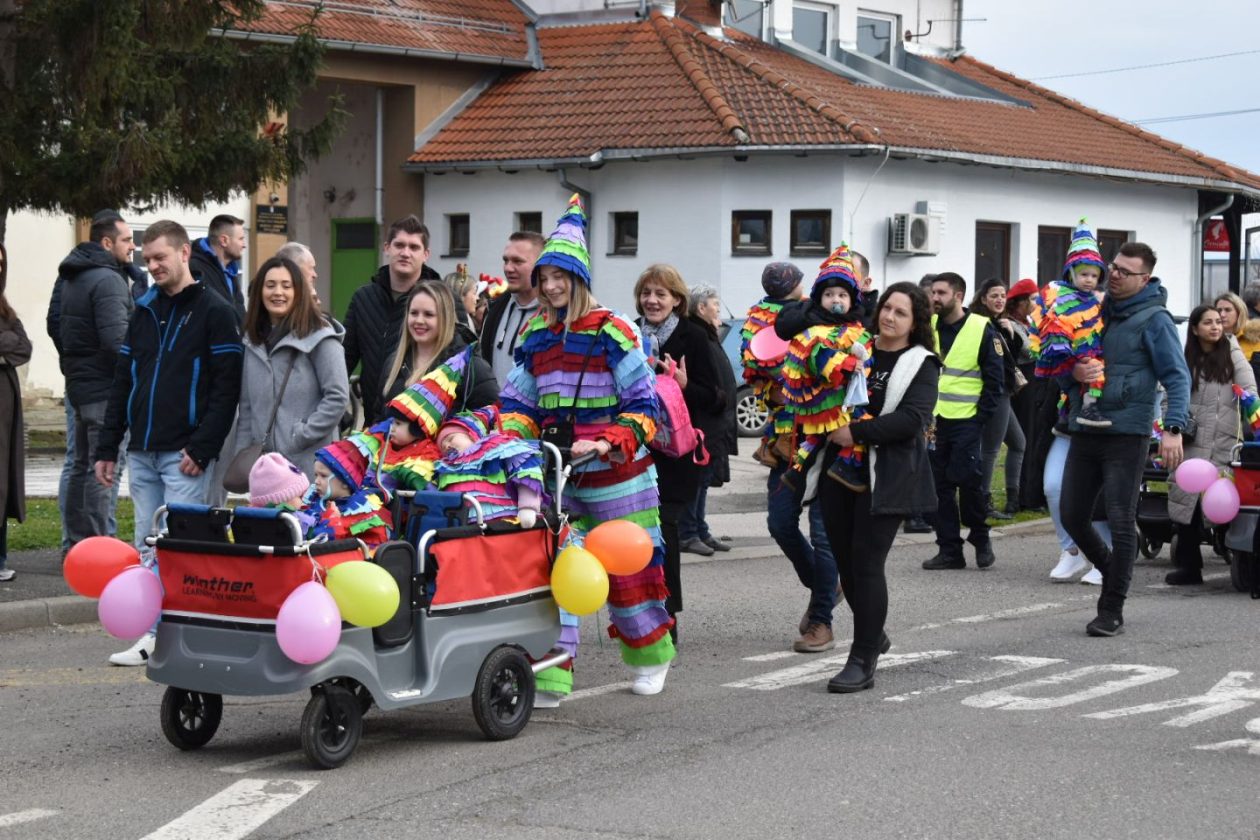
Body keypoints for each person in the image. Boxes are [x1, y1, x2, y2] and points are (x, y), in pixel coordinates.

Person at [500, 194, 676, 702]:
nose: (551, 286)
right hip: (560, 476)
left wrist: (605, 440)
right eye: (545, 277)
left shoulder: (615, 330)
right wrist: (514, 437)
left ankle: (651, 655)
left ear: (579, 278)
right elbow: (517, 401)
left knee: (631, 574)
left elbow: (645, 408)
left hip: (620, 478)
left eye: (560, 277)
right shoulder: (537, 334)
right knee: (558, 573)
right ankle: (553, 671)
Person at [93, 221, 243, 665]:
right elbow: (124, 382)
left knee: (179, 546)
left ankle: (180, 632)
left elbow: (226, 390)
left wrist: (202, 447)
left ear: (183, 254)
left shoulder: (217, 312)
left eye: (159, 257)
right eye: (146, 257)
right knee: (147, 543)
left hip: (185, 456)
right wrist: (108, 446)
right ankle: (153, 633)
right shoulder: (143, 311)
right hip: (142, 450)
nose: (151, 265)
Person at [1059, 242, 1190, 637]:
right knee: (1072, 516)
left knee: (1119, 518)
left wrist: (1173, 428)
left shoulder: (1156, 320)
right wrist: (1075, 375)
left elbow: (1178, 377)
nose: (1113, 275)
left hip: (1126, 433)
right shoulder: (1096, 311)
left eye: (1124, 272)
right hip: (1085, 426)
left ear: (1144, 279)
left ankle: (1110, 607)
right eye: (1113, 267)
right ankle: (1115, 570)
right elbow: (1070, 364)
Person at [820, 282, 940, 692]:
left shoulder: (922, 362)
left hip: (887, 475)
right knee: (847, 564)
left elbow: (913, 419)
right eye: (886, 307)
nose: (889, 317)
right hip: (838, 471)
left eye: (900, 312)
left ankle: (863, 657)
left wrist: (856, 432)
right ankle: (875, 631)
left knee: (867, 563)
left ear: (915, 322)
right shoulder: (855, 347)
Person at [740, 262, 839, 648]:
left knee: (822, 533)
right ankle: (826, 587)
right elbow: (759, 376)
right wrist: (775, 391)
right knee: (780, 523)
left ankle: (821, 621)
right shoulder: (761, 320)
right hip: (785, 442)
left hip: (827, 441)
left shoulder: (828, 321)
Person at [635, 264, 720, 649]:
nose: (652, 300)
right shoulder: (627, 335)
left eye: (661, 294)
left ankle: (667, 616)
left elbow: (717, 397)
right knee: (640, 536)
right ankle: (641, 612)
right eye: (646, 293)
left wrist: (684, 386)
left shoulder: (694, 337)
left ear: (677, 300)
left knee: (664, 533)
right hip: (634, 452)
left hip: (676, 456)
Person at [52, 210, 136, 548]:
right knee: (104, 468)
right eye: (127, 240)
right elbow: (118, 343)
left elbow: (55, 323)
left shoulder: (73, 276)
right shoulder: (107, 279)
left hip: (80, 386)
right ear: (106, 242)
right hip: (104, 388)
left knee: (80, 466)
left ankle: (75, 544)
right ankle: (101, 546)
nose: (133, 247)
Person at [1165, 305, 1257, 585]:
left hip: (1224, 442)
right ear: (1195, 328)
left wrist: (1248, 405)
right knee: (1187, 503)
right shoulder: (1184, 358)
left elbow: (1251, 392)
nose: (1216, 327)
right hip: (1191, 441)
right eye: (1208, 323)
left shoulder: (1233, 354)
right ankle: (1190, 567)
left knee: (1227, 502)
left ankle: (1237, 556)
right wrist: (1171, 427)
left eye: (1218, 322)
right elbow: (1172, 395)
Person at [236, 256, 350, 481]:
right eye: (270, 285)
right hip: (265, 469)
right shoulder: (253, 342)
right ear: (260, 291)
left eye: (286, 286)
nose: (278, 292)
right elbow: (247, 407)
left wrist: (299, 436)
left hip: (309, 467)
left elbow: (337, 397)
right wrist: (242, 456)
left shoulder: (321, 337)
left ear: (299, 292)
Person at [774, 244, 873, 493]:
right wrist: (850, 364)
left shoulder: (855, 328)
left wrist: (863, 361)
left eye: (842, 295)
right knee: (860, 424)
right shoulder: (814, 329)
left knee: (815, 438)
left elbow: (866, 351)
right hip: (826, 398)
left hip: (841, 397)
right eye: (829, 295)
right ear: (819, 298)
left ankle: (797, 472)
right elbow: (820, 358)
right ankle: (845, 467)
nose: (836, 299)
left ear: (852, 300)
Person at [923, 272, 1004, 570]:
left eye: (941, 293)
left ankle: (981, 538)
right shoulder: (928, 325)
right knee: (938, 488)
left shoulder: (982, 328)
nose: (935, 298)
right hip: (934, 422)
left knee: (968, 482)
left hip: (967, 420)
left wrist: (980, 418)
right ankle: (949, 550)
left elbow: (995, 382)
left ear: (958, 295)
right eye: (933, 292)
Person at [344, 216, 442, 424]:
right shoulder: (363, 299)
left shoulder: (443, 301)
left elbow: (457, 363)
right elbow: (344, 361)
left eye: (414, 247)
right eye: (399, 245)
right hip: (374, 424)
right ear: (387, 248)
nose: (405, 253)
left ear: (426, 255)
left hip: (423, 427)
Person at [378, 279, 498, 422]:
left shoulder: (471, 366)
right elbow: (379, 417)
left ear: (445, 318)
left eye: (428, 314)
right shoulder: (393, 362)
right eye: (414, 313)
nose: (419, 320)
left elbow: (493, 419)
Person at [1031, 219, 1110, 429]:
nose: (1089, 280)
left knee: (1093, 373)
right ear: (1071, 273)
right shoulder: (1061, 296)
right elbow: (1054, 324)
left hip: (1088, 350)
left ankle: (1077, 411)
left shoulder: (1093, 300)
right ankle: (1086, 409)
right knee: (1091, 372)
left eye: (1094, 275)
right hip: (1069, 352)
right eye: (1084, 274)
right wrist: (1063, 350)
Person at [681, 283, 736, 555]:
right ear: (701, 307)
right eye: (715, 304)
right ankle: (688, 533)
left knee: (703, 480)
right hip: (703, 421)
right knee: (696, 479)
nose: (718, 309)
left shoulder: (707, 333)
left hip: (714, 420)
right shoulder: (697, 335)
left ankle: (700, 530)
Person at [970, 278, 1026, 521]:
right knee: (990, 449)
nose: (1000, 300)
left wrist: (1010, 333)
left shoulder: (1001, 324)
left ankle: (1013, 499)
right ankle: (982, 501)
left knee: (1018, 443)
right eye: (994, 295)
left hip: (1004, 390)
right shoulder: (979, 324)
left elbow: (1013, 357)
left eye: (1003, 295)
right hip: (994, 391)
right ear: (983, 299)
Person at [434, 406, 544, 526]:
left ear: (471, 435)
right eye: (442, 446)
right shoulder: (443, 467)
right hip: (464, 529)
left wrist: (528, 507)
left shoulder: (497, 446)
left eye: (450, 439)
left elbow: (527, 470)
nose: (446, 446)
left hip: (504, 523)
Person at [480, 231, 545, 387]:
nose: (508, 268)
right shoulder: (495, 308)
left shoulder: (555, 315)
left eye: (517, 261)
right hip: (493, 409)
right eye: (506, 260)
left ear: (540, 264)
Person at [0, 244, 30, 582]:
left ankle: (0, 557)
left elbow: (24, 347)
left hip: (5, 412)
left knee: (2, 482)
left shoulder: (5, 310)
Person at [310, 438, 392, 548]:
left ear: (345, 482)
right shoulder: (315, 500)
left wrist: (334, 521)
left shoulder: (364, 511)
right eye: (316, 475)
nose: (316, 481)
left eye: (323, 476)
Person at [189, 214, 247, 325]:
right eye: (241, 239)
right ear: (224, 240)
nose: (244, 245)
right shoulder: (194, 269)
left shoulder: (231, 271)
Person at [444, 264, 479, 338]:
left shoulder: (466, 321)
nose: (477, 298)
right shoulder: (453, 328)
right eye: (474, 293)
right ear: (461, 294)